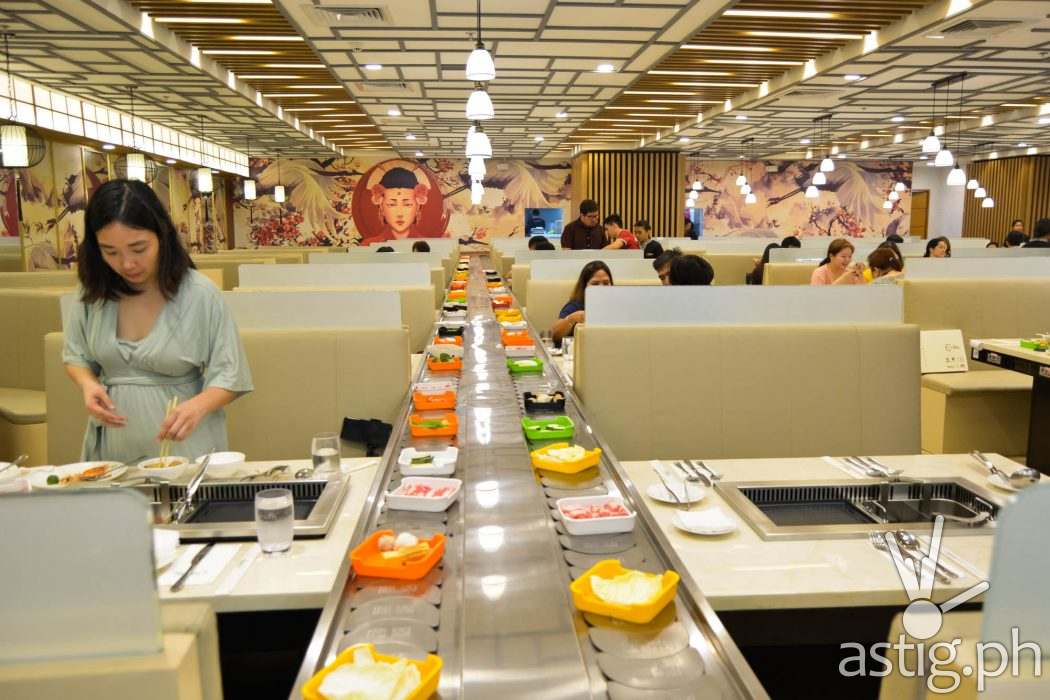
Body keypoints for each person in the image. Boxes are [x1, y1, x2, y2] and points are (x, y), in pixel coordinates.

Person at [63, 180, 253, 464]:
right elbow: (75, 356)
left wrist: (198, 407)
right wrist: (88, 385)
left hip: (184, 446)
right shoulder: (93, 293)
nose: (127, 263)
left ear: (161, 235)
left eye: (138, 248)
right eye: (110, 252)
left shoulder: (199, 293)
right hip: (114, 452)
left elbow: (231, 376)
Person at [551, 261, 613, 345]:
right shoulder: (575, 306)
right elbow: (555, 336)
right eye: (595, 283)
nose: (601, 288)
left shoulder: (619, 304)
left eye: (606, 283)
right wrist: (571, 319)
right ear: (584, 286)